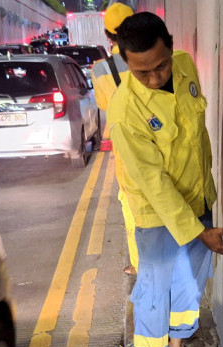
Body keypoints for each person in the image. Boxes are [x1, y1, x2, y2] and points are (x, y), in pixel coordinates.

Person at [109, 12, 223, 347]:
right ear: (126, 64)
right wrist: (199, 230)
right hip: (155, 213)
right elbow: (153, 183)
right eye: (142, 72)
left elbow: (194, 138)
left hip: (197, 201)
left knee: (190, 284)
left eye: (160, 65)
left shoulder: (184, 66)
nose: (155, 77)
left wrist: (203, 213)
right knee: (155, 289)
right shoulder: (125, 111)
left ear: (170, 45)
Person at [90, 2, 138, 276]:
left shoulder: (100, 70)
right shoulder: (154, 56)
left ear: (108, 36)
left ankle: (140, 263)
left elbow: (104, 104)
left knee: (132, 207)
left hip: (127, 150)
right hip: (161, 140)